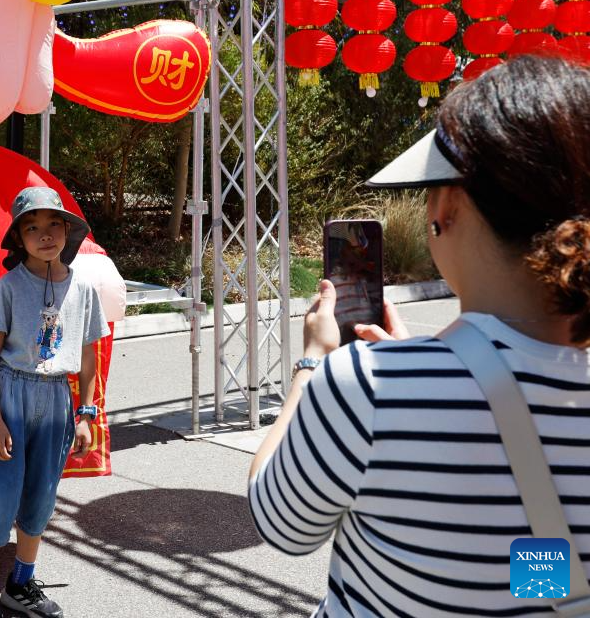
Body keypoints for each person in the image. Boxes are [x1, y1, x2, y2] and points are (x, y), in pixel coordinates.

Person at [248, 54, 590, 616]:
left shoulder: (368, 386)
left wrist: (311, 370)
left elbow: (280, 523)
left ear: (445, 207)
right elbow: (538, 575)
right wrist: (444, 368)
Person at [0, 186, 110, 618]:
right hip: (10, 395)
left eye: (53, 225)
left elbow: (88, 356)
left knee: (41, 497)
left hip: (55, 399)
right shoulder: (9, 286)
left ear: (68, 231)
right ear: (18, 239)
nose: (45, 235)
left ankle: (22, 581)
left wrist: (87, 414)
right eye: (33, 227)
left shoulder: (83, 289)